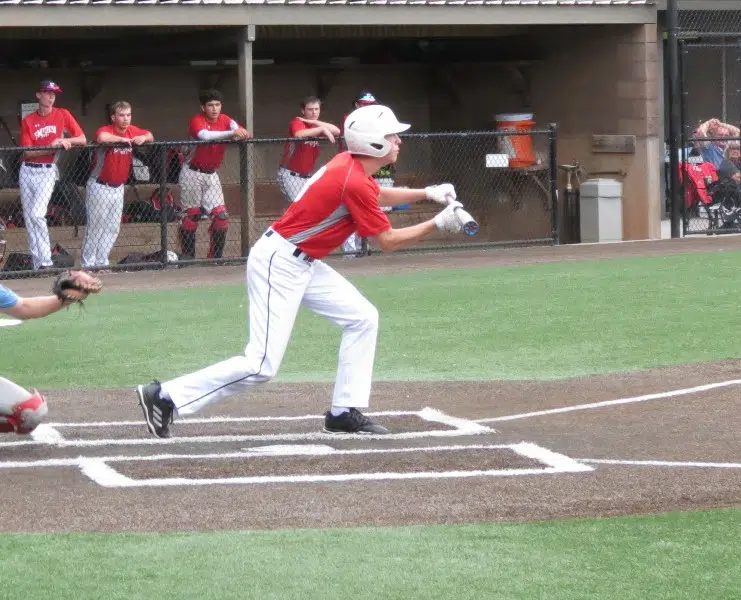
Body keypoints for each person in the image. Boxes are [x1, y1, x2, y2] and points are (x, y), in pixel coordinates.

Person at [137, 104, 468, 439]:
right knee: (261, 364)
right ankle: (165, 397)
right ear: (373, 143)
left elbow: (376, 193)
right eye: (391, 136)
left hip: (302, 261)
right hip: (279, 262)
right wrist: (438, 223)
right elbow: (387, 240)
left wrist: (428, 193)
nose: (398, 141)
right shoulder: (351, 179)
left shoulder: (350, 165)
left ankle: (343, 411)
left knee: (362, 318)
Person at [19, 80, 86, 270]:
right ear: (38, 95)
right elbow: (26, 152)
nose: (51, 97)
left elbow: (82, 138)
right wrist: (50, 146)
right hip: (27, 170)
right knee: (29, 217)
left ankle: (46, 260)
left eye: (53, 94)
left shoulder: (62, 114)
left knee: (37, 214)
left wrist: (64, 140)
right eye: (47, 93)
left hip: (47, 170)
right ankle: (36, 262)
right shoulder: (29, 120)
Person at [178, 89, 252, 260]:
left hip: (211, 174)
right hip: (192, 172)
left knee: (221, 217)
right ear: (203, 107)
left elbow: (240, 130)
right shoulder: (197, 120)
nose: (214, 108)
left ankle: (215, 258)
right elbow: (204, 135)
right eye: (210, 105)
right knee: (192, 215)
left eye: (217, 105)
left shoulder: (226, 120)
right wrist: (231, 133)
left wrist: (240, 133)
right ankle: (188, 258)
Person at [81, 101, 154, 270]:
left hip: (118, 187)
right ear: (113, 117)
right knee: (96, 226)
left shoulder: (132, 130)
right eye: (121, 115)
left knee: (113, 226)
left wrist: (143, 137)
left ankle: (101, 261)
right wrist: (123, 140)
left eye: (128, 115)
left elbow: (150, 135)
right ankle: (88, 264)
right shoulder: (106, 130)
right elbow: (101, 138)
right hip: (100, 185)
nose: (125, 119)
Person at [340, 91, 400, 256]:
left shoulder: (379, 120)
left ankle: (364, 247)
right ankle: (351, 252)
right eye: (365, 105)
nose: (369, 108)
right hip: (353, 168)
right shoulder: (351, 118)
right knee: (351, 213)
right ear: (357, 105)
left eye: (371, 105)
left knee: (373, 210)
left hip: (371, 170)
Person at [277, 96, 340, 204]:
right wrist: (321, 129)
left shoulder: (315, 125)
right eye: (310, 109)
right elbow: (299, 134)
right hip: (290, 175)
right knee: (298, 206)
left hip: (307, 176)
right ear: (303, 111)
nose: (314, 112)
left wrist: (317, 124)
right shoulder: (297, 122)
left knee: (304, 208)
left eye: (317, 109)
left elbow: (337, 131)